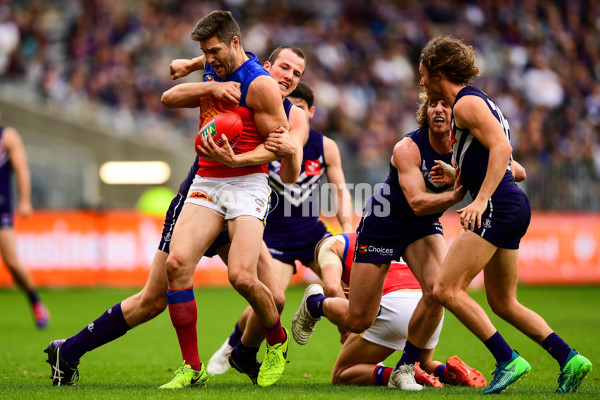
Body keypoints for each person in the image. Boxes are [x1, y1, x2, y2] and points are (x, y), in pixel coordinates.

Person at [42, 34, 305, 390]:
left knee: (271, 295)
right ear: (267, 65)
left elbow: (290, 178)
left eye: (297, 73)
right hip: (200, 192)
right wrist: (191, 67)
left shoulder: (293, 116)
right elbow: (190, 79)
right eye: (284, 67)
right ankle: (69, 350)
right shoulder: (234, 76)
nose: (288, 76)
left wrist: (289, 150)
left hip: (245, 198)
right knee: (152, 299)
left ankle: (244, 352)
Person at [418, 36, 592, 394]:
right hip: (511, 205)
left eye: (423, 74)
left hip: (498, 206)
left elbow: (503, 148)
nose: (421, 82)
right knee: (503, 301)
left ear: (437, 72)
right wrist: (460, 176)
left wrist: (481, 199)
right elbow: (519, 170)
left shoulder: (465, 104)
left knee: (445, 288)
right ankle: (569, 358)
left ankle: (506, 359)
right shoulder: (478, 104)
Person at [293, 90, 467, 391]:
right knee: (359, 319)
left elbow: (511, 167)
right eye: (433, 105)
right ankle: (317, 304)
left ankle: (403, 369)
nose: (439, 110)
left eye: (446, 105)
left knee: (439, 289)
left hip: (423, 224)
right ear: (425, 113)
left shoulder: (466, 146)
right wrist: (456, 193)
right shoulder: (408, 147)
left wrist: (501, 170)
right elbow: (415, 202)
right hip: (384, 225)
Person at [206, 82, 354, 377]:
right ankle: (233, 347)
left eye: (298, 109)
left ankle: (353, 349)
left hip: (313, 234)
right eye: (287, 109)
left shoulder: (325, 146)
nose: (291, 116)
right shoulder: (268, 141)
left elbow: (339, 190)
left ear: (311, 112)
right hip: (273, 238)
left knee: (342, 284)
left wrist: (348, 228)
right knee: (269, 300)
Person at [307, 231, 486, 388]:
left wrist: (343, 329)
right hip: (431, 305)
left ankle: (400, 374)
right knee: (424, 362)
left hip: (394, 305)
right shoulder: (398, 239)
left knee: (341, 374)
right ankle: (448, 373)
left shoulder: (332, 245)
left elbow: (332, 288)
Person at [0, 118, 49, 329]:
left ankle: (35, 301)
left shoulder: (7, 137)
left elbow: (21, 169)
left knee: (11, 261)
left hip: (1, 207)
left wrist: (25, 200)